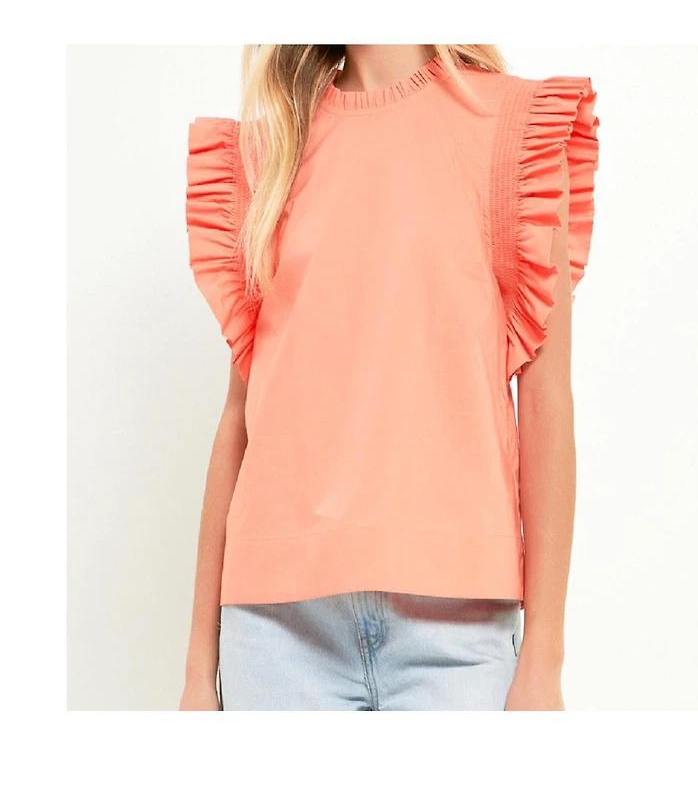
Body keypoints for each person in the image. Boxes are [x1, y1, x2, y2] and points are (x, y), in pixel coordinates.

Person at [179, 44, 600, 711]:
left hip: (455, 629)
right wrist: (198, 673)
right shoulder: (271, 152)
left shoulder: (513, 129)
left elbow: (547, 403)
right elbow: (241, 417)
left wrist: (543, 661)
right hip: (276, 633)